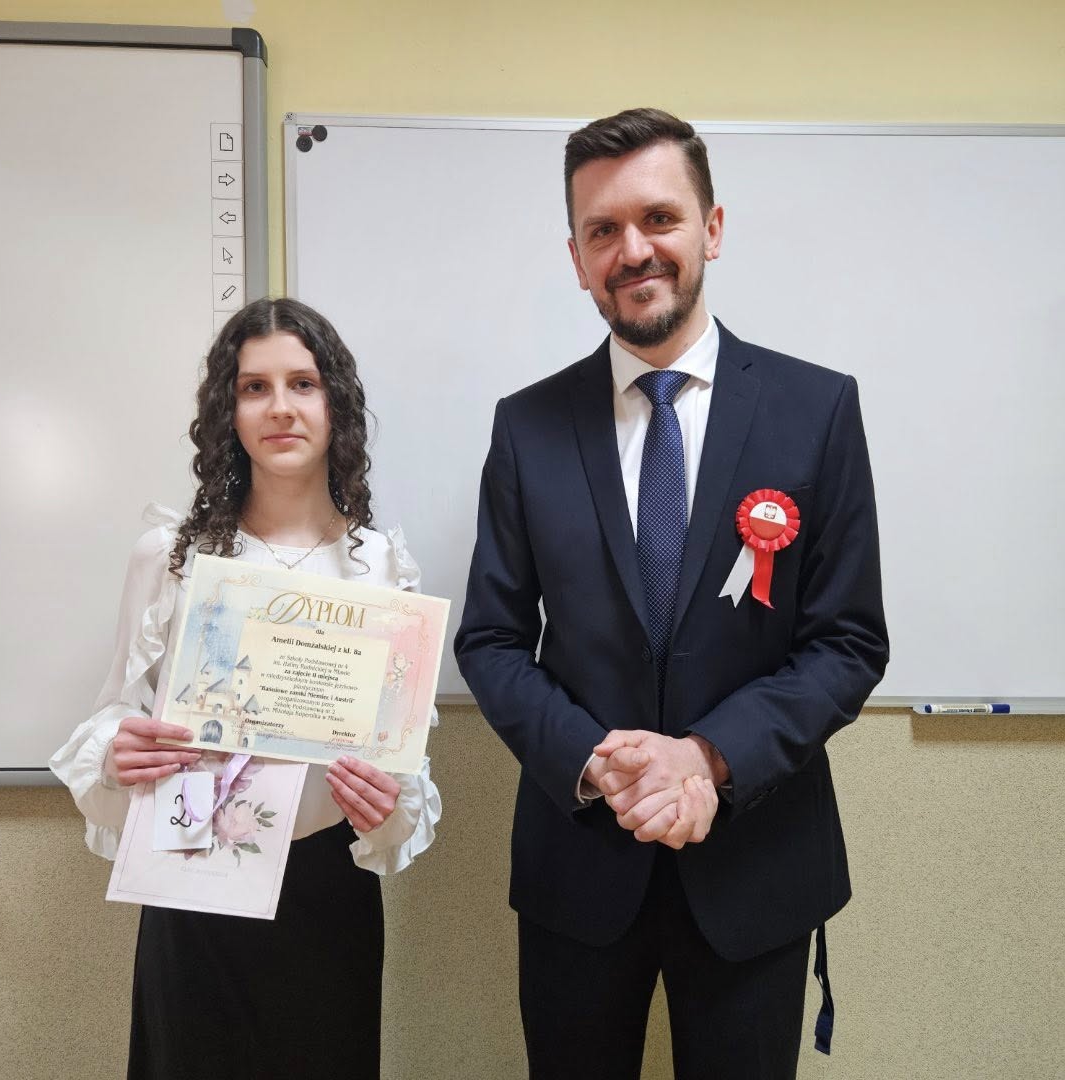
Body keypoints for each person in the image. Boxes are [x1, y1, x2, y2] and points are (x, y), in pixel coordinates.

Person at [454, 107, 888, 1079]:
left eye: (659, 218)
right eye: (603, 230)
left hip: (756, 868)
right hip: (579, 868)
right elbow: (490, 639)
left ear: (712, 229)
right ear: (577, 258)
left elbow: (848, 642)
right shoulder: (526, 427)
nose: (633, 250)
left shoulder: (817, 409)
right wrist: (594, 761)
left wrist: (706, 757)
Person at [51, 297, 440, 1080]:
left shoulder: (380, 569)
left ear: (336, 404)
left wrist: (388, 803)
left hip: (327, 891)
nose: (280, 407)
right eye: (254, 387)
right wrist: (118, 752)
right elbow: (115, 710)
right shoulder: (171, 554)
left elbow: (404, 769)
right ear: (226, 412)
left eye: (303, 383)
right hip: (192, 871)